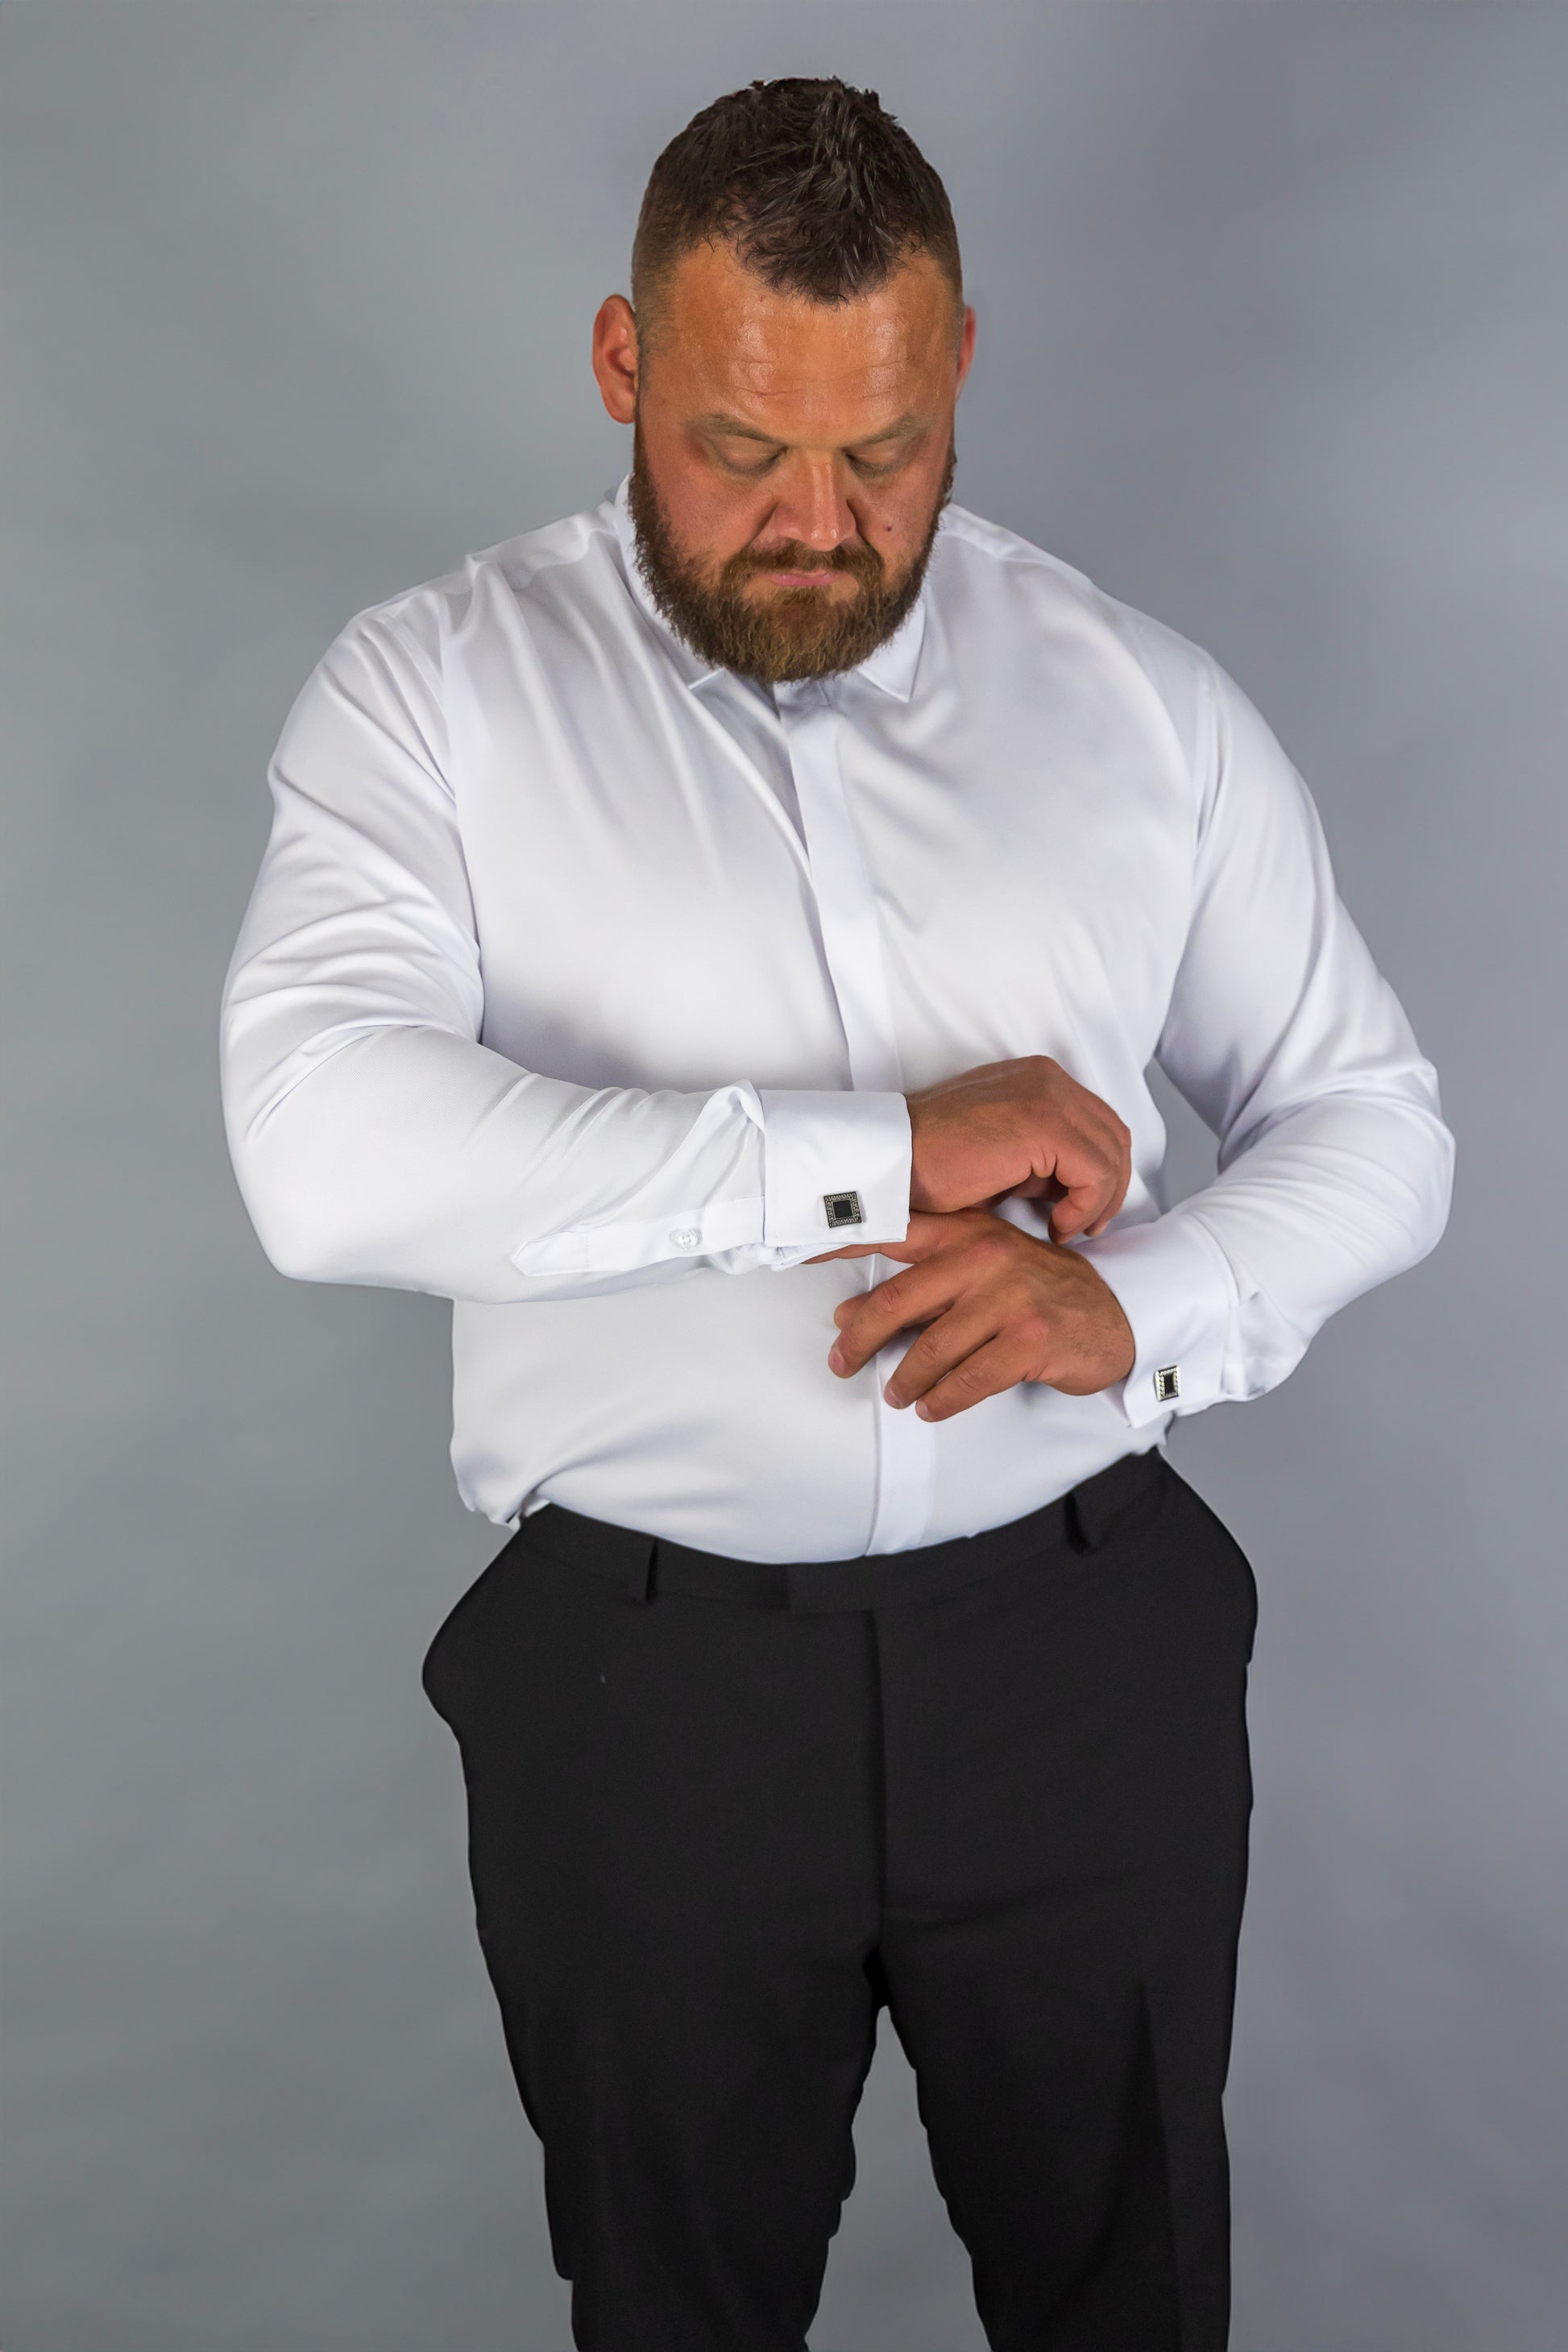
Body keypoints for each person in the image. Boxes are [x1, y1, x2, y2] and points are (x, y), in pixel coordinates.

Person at [219, 75, 1453, 2352]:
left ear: (956, 365)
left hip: (1087, 1665)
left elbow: (1373, 1117)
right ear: (621, 367)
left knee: (1131, 2310)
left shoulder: (1137, 708)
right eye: (735, 448)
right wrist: (875, 1148)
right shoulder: (433, 700)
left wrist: (1143, 1310)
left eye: (876, 453)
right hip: (647, 1695)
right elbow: (322, 1151)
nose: (812, 521)